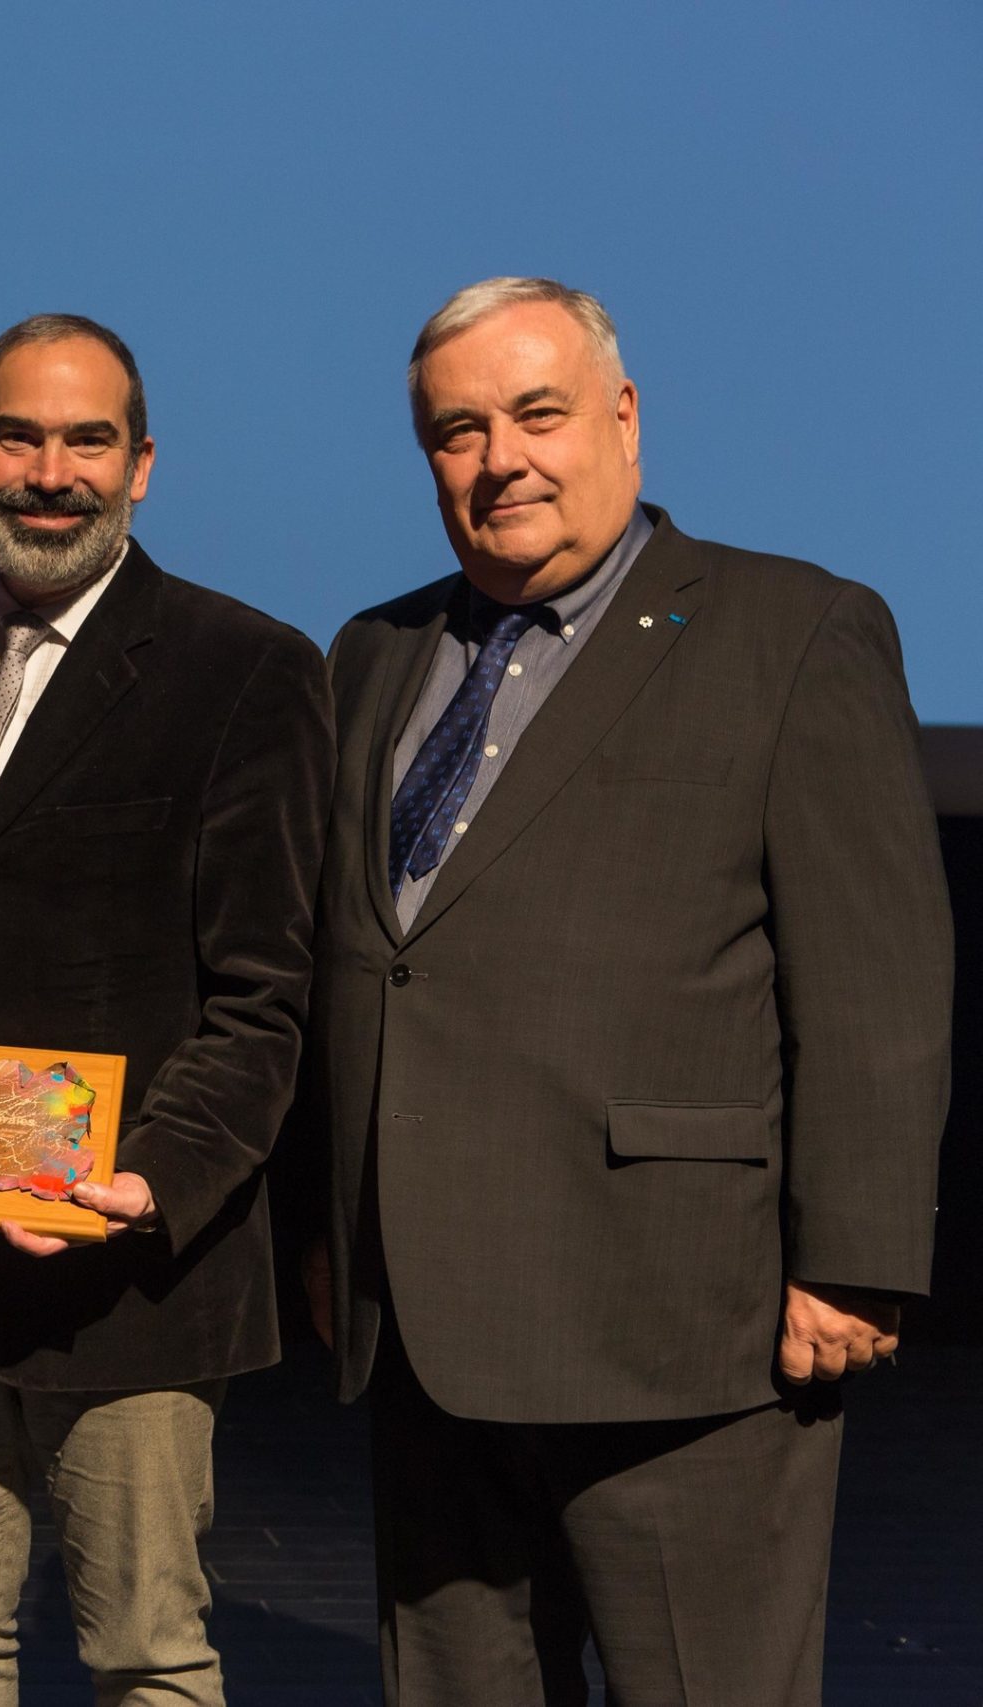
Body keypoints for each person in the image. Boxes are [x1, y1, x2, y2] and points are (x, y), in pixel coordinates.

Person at [303, 276, 952, 1705]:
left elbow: (878, 976)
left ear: (623, 415)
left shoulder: (794, 630)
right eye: (457, 432)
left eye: (536, 413)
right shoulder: (372, 654)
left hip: (685, 1332)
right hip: (428, 1336)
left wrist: (851, 1257)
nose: (500, 459)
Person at [0, 314, 334, 1707]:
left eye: (87, 440)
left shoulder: (245, 668)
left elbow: (264, 997)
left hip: (132, 1274)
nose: (50, 472)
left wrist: (146, 1182)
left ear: (143, 464)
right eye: (18, 436)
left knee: (146, 1660)